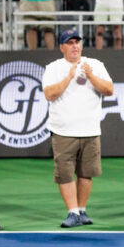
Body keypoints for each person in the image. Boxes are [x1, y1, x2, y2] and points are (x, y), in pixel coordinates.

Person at [42, 29, 114, 228]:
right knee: (65, 174)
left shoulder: (95, 65)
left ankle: (81, 210)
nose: (75, 46)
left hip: (90, 129)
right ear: (62, 47)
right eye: (70, 42)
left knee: (86, 173)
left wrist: (90, 75)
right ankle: (71, 212)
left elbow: (109, 90)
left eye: (77, 42)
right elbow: (49, 94)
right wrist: (69, 76)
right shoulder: (54, 67)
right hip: (63, 130)